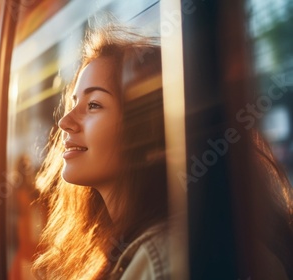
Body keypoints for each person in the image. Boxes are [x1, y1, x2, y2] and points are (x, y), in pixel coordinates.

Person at [31, 24, 293, 279]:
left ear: (149, 131)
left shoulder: (165, 260)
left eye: (94, 105)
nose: (65, 121)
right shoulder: (134, 245)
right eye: (75, 102)